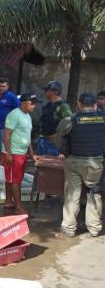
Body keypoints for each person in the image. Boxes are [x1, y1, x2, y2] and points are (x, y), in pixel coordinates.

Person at [54, 93, 105, 237]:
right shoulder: (103, 120)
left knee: (72, 194)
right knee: (94, 194)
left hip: (73, 162)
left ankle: (69, 228)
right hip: (95, 163)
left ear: (79, 104)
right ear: (95, 105)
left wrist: (66, 150)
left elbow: (58, 141)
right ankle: (94, 228)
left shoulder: (69, 120)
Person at [2, 93, 39, 215]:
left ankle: (8, 200)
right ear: (24, 103)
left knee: (12, 178)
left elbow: (27, 136)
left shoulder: (27, 115)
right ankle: (18, 206)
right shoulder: (14, 115)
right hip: (14, 152)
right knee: (15, 180)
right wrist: (8, 153)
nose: (34, 106)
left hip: (21, 152)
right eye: (32, 103)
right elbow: (7, 135)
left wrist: (32, 153)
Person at [36, 81, 72, 155]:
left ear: (55, 92)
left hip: (53, 143)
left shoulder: (63, 106)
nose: (45, 92)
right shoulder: (47, 105)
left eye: (47, 90)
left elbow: (69, 123)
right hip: (43, 140)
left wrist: (58, 135)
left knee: (52, 165)